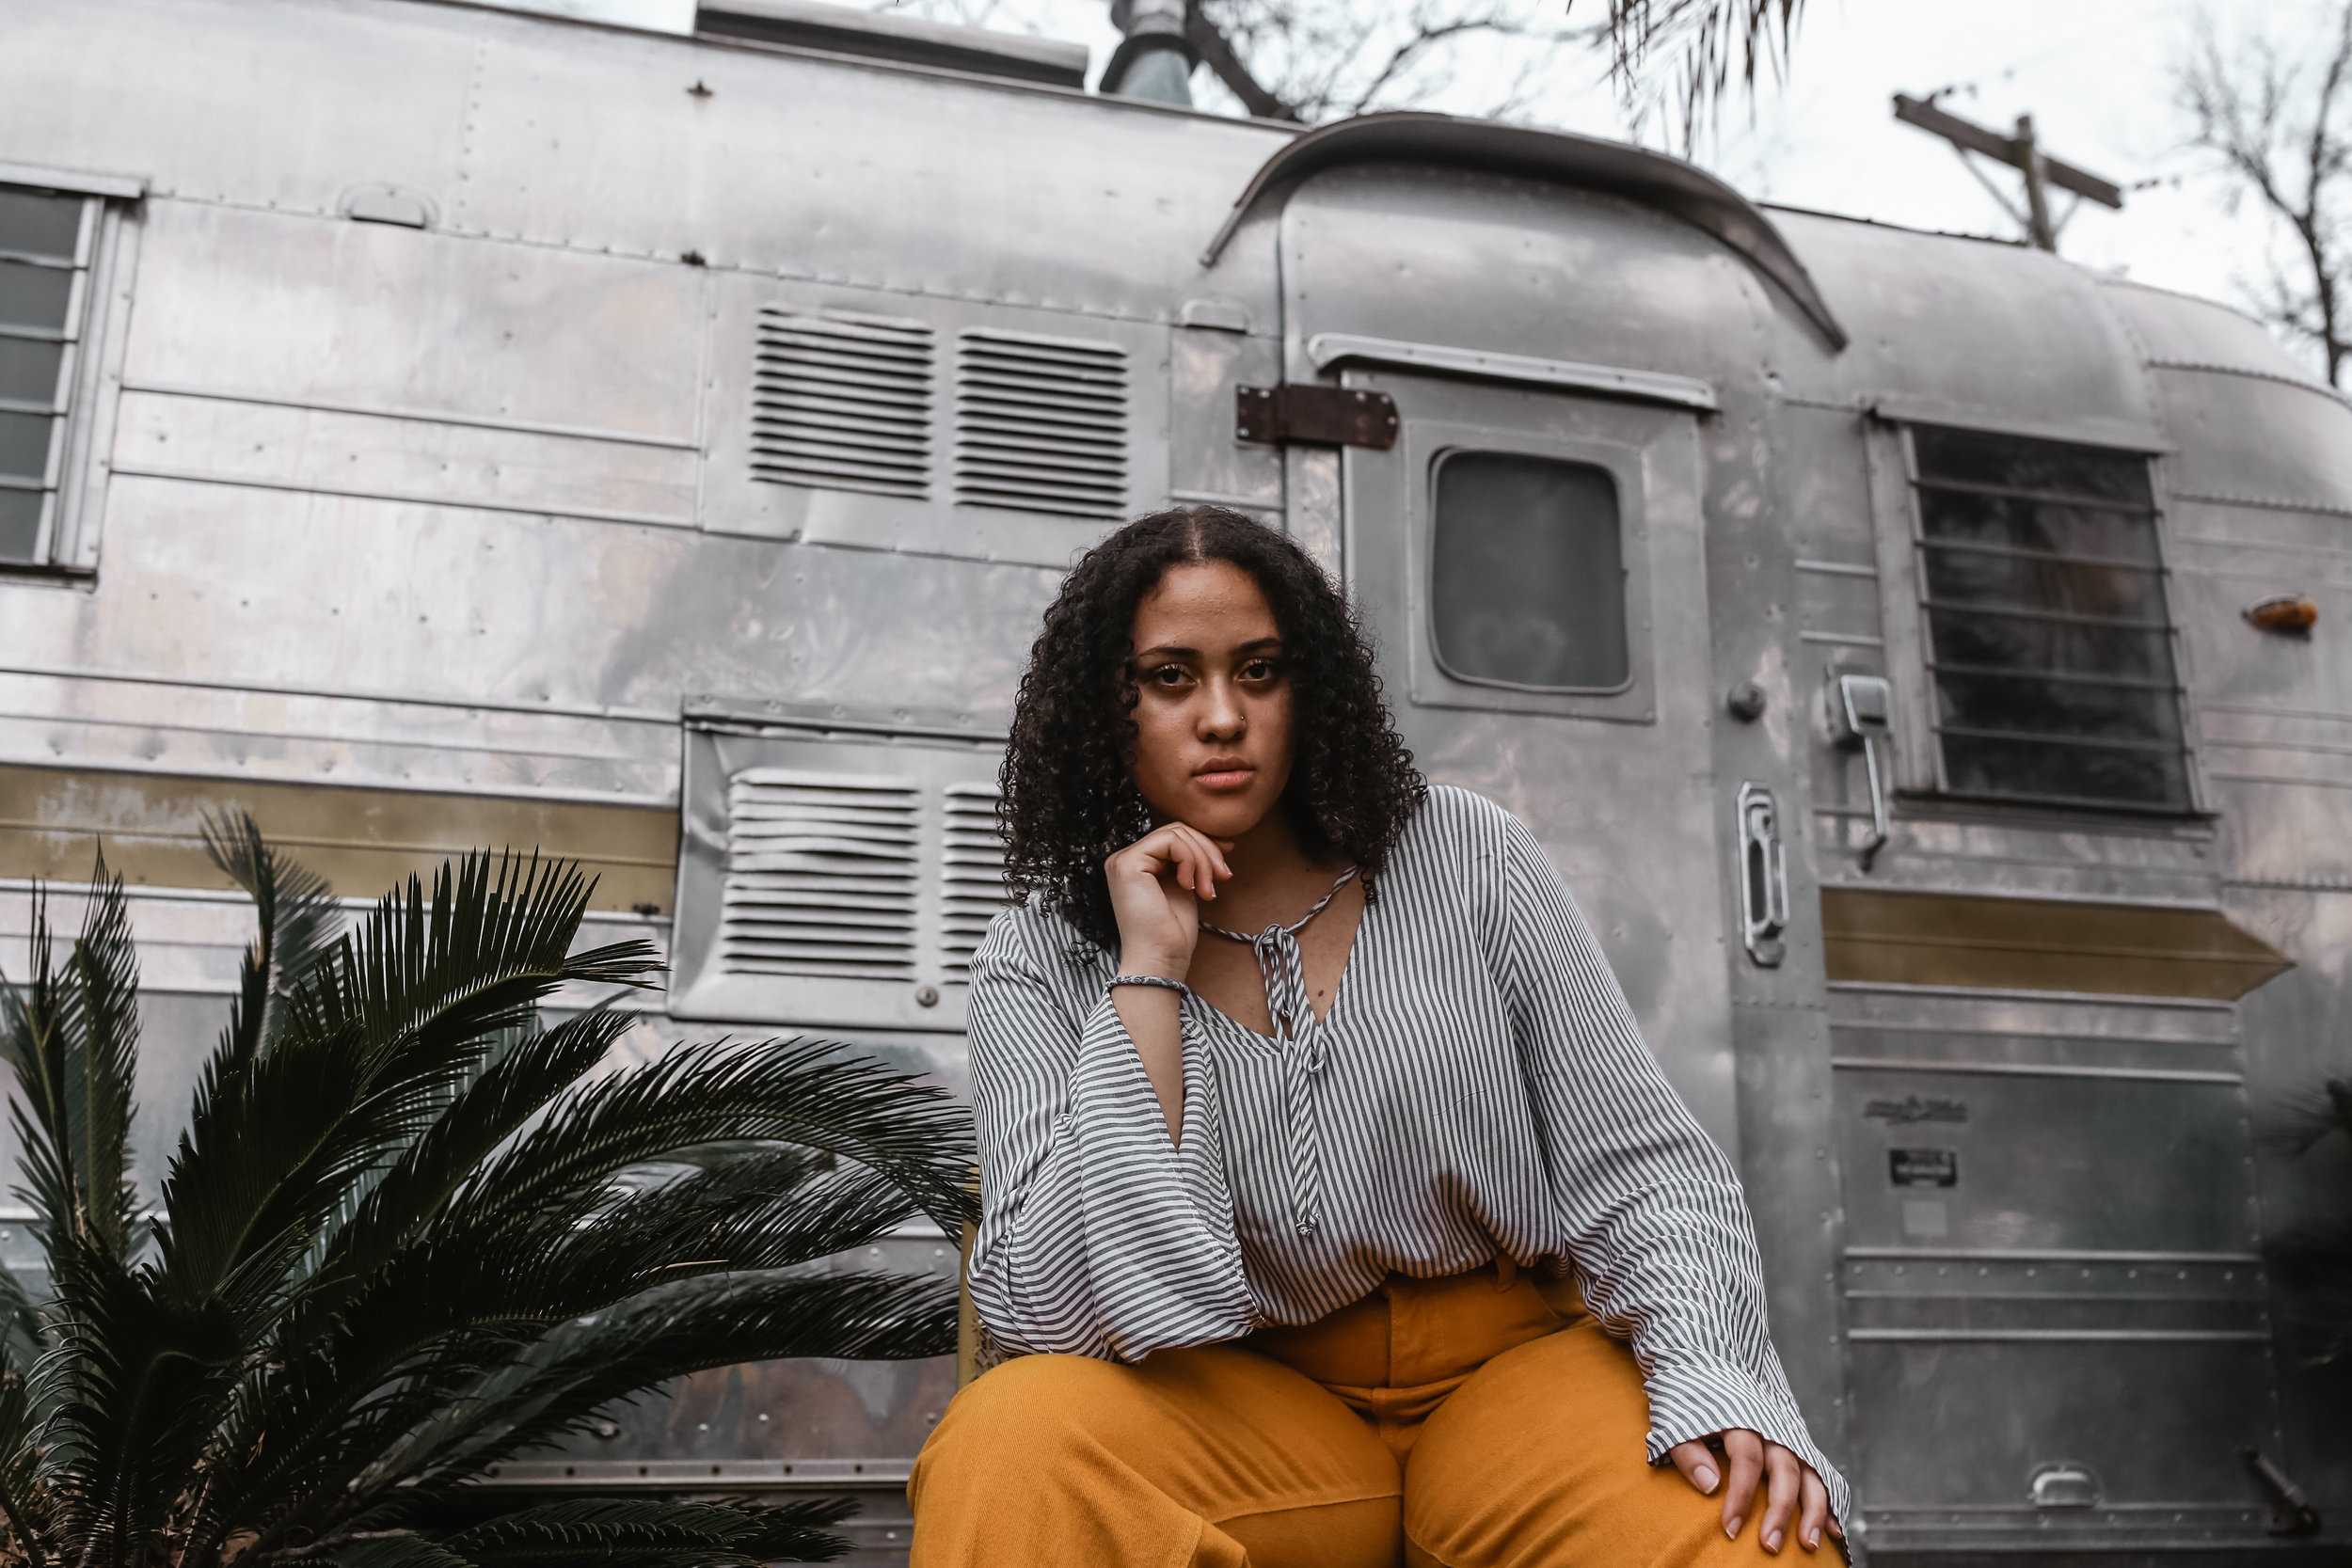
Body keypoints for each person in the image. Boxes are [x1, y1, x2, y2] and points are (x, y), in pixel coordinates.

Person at [908, 504, 1851, 1566]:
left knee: (1737, 1530)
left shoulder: (1463, 855)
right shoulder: (1041, 952)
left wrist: (1711, 1372)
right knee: (1008, 1445)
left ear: (1309, 689)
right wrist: (1147, 974)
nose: (1222, 715)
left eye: (1258, 670)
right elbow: (1047, 1314)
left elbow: (1645, 1172)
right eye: (1171, 676)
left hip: (1514, 1374)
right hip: (1245, 1401)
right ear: (1103, 707)